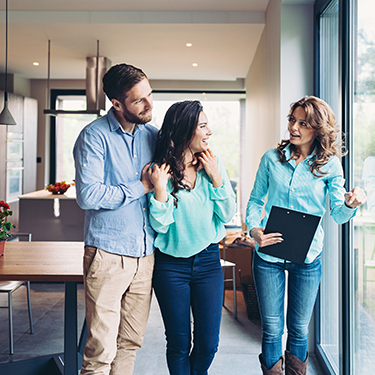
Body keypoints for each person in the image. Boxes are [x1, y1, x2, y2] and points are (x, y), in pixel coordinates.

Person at [246, 96, 367, 375]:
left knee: (299, 329)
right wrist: (255, 230)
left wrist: (350, 204)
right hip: (268, 254)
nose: (294, 127)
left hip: (307, 256)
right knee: (273, 328)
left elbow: (337, 213)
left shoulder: (330, 165)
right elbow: (254, 202)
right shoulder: (271, 159)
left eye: (303, 123)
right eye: (292, 120)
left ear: (318, 129)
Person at [73, 63, 158, 375]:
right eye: (139, 100)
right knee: (100, 352)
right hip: (107, 254)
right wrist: (142, 186)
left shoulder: (153, 135)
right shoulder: (94, 137)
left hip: (145, 255)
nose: (149, 105)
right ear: (117, 103)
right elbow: (88, 196)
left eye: (150, 95)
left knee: (130, 344)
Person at [147, 100, 236, 375]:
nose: (209, 132)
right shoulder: (159, 170)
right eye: (203, 126)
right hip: (170, 266)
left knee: (209, 344)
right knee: (178, 343)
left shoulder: (213, 163)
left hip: (208, 261)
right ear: (186, 130)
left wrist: (217, 178)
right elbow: (160, 226)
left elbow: (228, 213)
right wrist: (160, 190)